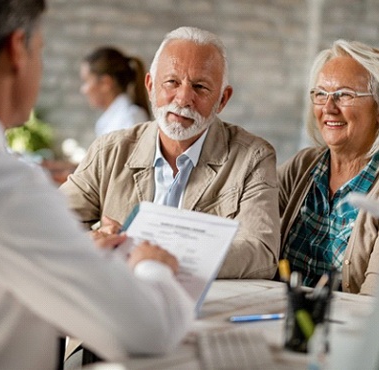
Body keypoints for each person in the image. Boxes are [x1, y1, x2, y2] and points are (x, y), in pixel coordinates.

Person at [0, 1, 194, 369]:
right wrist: (152, 265)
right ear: (16, 50)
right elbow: (149, 330)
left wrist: (74, 252)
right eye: (41, 51)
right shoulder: (3, 186)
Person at [60, 26, 280, 279]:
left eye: (200, 87)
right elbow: (50, 223)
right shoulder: (108, 151)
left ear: (222, 99)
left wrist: (163, 257)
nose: (184, 98)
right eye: (172, 82)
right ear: (151, 85)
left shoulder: (253, 158)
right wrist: (91, 241)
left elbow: (261, 253)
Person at [278, 39, 379, 295]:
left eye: (344, 95)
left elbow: (371, 304)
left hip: (346, 328)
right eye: (321, 94)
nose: (329, 108)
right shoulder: (302, 167)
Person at [80, 46, 150, 137]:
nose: (83, 90)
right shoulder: (111, 119)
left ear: (106, 83)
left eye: (86, 81)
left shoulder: (130, 118)